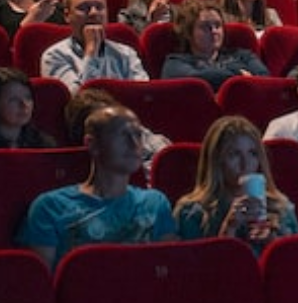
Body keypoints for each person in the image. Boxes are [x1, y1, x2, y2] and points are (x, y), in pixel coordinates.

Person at [17, 105, 178, 268]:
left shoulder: (155, 203)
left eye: (138, 135)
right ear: (92, 144)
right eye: (122, 135)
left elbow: (168, 274)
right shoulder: (50, 207)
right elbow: (42, 284)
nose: (134, 143)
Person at [172, 116, 297, 252]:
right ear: (217, 161)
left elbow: (297, 265)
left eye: (252, 153)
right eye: (234, 154)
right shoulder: (192, 212)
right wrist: (229, 228)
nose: (246, 164)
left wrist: (273, 244)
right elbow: (195, 268)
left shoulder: (280, 208)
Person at [40, 0, 148, 92]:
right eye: (84, 8)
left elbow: (142, 94)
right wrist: (91, 52)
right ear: (67, 15)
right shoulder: (54, 56)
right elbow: (78, 100)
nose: (93, 13)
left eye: (99, 7)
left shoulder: (126, 53)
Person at [158, 0, 267, 90]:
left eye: (218, 25)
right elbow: (196, 80)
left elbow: (264, 78)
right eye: (205, 26)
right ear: (188, 32)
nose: (214, 31)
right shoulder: (175, 63)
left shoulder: (243, 56)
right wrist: (238, 75)